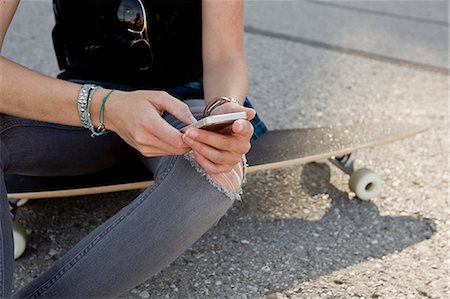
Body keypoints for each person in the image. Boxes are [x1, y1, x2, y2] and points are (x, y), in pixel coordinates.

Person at [0, 0, 267, 297]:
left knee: (215, 172)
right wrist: (106, 107)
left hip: (183, 102)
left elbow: (225, 56)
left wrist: (222, 108)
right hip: (83, 101)